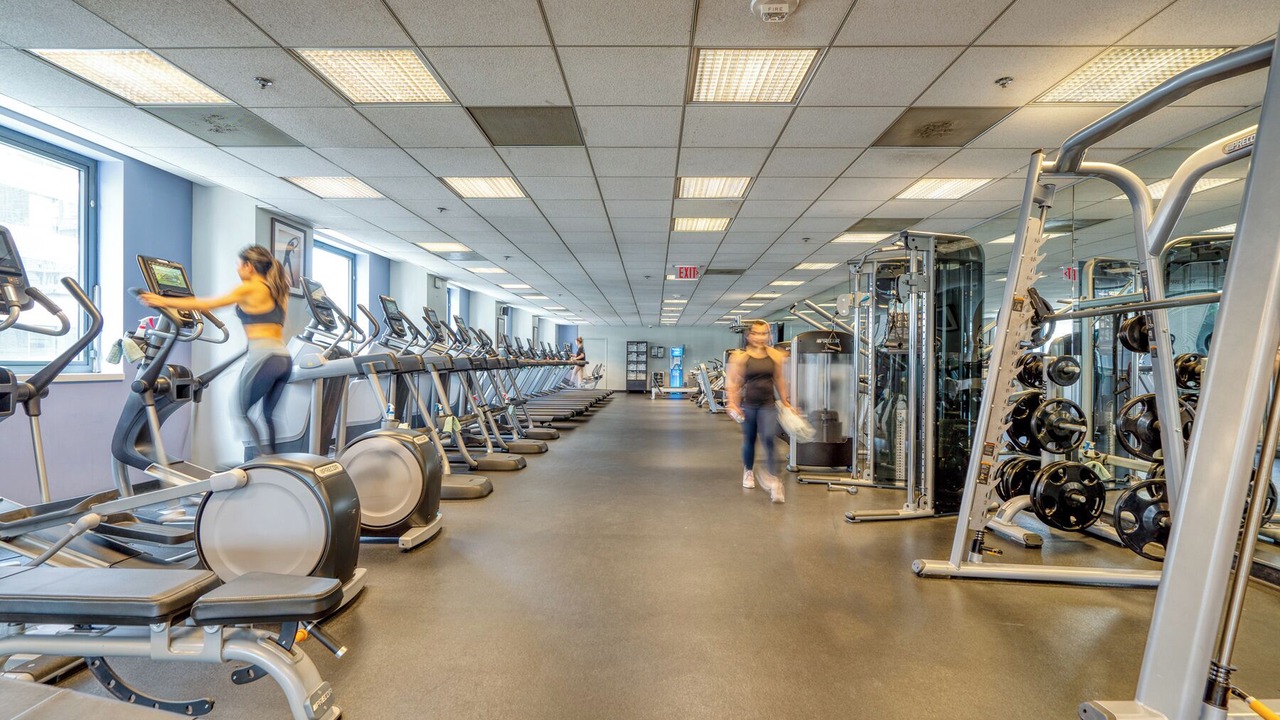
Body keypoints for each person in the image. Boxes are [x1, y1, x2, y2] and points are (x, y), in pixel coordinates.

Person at [140, 245, 292, 457]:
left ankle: (266, 464)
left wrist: (162, 300)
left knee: (240, 410)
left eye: (238, 265)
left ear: (248, 266)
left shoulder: (250, 287)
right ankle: (278, 466)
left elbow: (209, 303)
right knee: (268, 415)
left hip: (264, 358)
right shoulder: (278, 290)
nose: (237, 269)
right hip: (283, 359)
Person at [725, 320, 795, 503]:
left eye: (764, 333)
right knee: (749, 440)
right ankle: (748, 471)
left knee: (769, 439)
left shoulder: (774, 355)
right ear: (749, 335)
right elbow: (734, 382)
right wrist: (733, 403)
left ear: (769, 335)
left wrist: (786, 402)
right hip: (749, 405)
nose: (760, 337)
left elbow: (779, 379)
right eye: (756, 333)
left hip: (768, 405)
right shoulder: (740, 357)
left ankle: (775, 481)